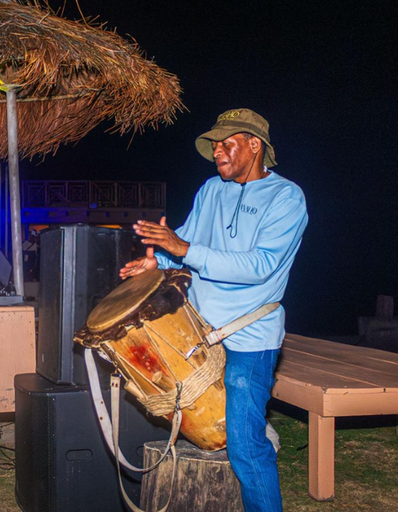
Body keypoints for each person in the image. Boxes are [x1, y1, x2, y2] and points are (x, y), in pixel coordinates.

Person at [119, 108, 308, 512]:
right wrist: (158, 262)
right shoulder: (210, 191)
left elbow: (260, 266)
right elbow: (184, 244)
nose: (217, 151)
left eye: (227, 144)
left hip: (250, 336)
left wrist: (182, 248)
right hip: (197, 332)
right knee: (200, 425)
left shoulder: (286, 197)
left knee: (245, 444)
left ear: (254, 145)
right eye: (215, 145)